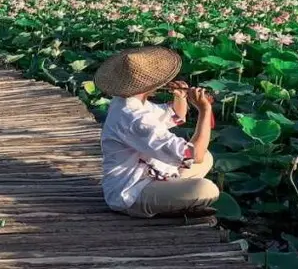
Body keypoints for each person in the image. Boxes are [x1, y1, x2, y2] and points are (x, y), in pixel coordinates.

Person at [93, 46, 219, 220]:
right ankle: (170, 205)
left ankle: (175, 198)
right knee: (207, 189)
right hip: (132, 190)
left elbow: (174, 116)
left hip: (153, 173)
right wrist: (204, 110)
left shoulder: (128, 102)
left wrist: (180, 97)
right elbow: (193, 154)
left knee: (208, 157)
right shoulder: (134, 118)